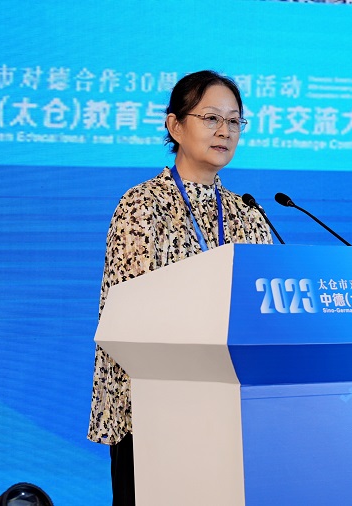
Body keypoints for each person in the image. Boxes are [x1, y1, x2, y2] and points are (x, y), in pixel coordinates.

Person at [87, 70, 273, 506]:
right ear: (175, 126)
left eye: (234, 121)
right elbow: (129, 314)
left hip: (233, 411)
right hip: (155, 409)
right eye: (211, 118)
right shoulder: (142, 205)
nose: (225, 131)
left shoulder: (249, 214)